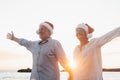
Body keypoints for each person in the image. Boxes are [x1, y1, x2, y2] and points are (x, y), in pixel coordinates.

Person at [7, 21, 72, 80]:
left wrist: (71, 74)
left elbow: (64, 61)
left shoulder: (55, 43)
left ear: (49, 32)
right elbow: (24, 42)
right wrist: (14, 38)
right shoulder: (34, 44)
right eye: (39, 29)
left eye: (42, 29)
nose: (39, 31)